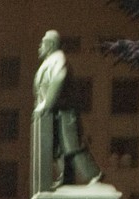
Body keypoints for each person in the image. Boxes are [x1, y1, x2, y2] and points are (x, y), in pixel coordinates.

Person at [34, 29, 102, 189]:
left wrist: (47, 103)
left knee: (72, 145)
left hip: (64, 113)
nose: (39, 46)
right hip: (53, 115)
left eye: (42, 43)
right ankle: (66, 177)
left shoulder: (59, 58)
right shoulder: (50, 61)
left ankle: (93, 174)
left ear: (50, 45)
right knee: (58, 149)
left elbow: (59, 78)